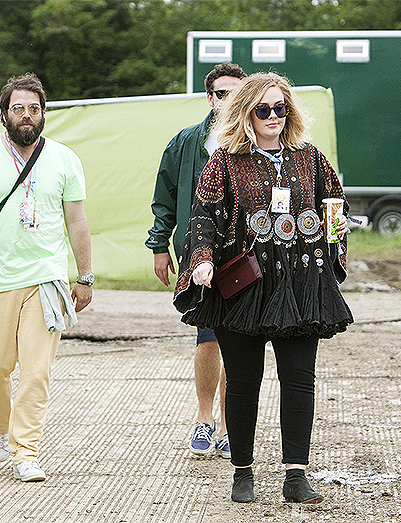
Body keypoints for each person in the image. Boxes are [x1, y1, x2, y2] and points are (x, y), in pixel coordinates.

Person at [173, 72, 354, 504]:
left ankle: (296, 475)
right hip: (245, 288)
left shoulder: (309, 157)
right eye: (264, 109)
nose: (274, 116)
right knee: (243, 382)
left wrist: (338, 230)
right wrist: (200, 262)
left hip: (302, 284)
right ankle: (242, 470)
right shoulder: (225, 161)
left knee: (299, 380)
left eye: (281, 108)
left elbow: (335, 203)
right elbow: (203, 218)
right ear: (246, 112)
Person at [0, 73, 93, 482]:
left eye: (34, 108)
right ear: (4, 114)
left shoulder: (65, 158)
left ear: (43, 113)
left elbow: (77, 220)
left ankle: (25, 451)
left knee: (35, 371)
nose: (26, 116)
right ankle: (0, 428)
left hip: (46, 279)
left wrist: (85, 275)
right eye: (18, 108)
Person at [146, 63, 247, 459]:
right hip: (198, 252)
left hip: (244, 254)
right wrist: (159, 246)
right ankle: (204, 421)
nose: (228, 102)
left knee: (238, 339)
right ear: (209, 98)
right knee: (208, 337)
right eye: (222, 94)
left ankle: (228, 424)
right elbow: (164, 198)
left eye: (237, 94)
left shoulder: (254, 141)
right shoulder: (186, 142)